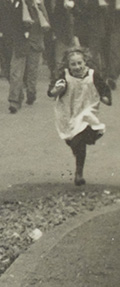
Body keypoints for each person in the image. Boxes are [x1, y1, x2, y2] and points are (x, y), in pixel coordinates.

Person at [49, 47, 110, 186]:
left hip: (87, 111)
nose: (77, 67)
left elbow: (103, 88)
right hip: (68, 113)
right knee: (73, 141)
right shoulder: (64, 76)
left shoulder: (92, 74)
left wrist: (105, 98)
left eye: (79, 63)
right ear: (68, 65)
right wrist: (55, 90)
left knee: (79, 140)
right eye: (73, 64)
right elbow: (51, 91)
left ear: (85, 62)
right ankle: (79, 156)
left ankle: (79, 173)